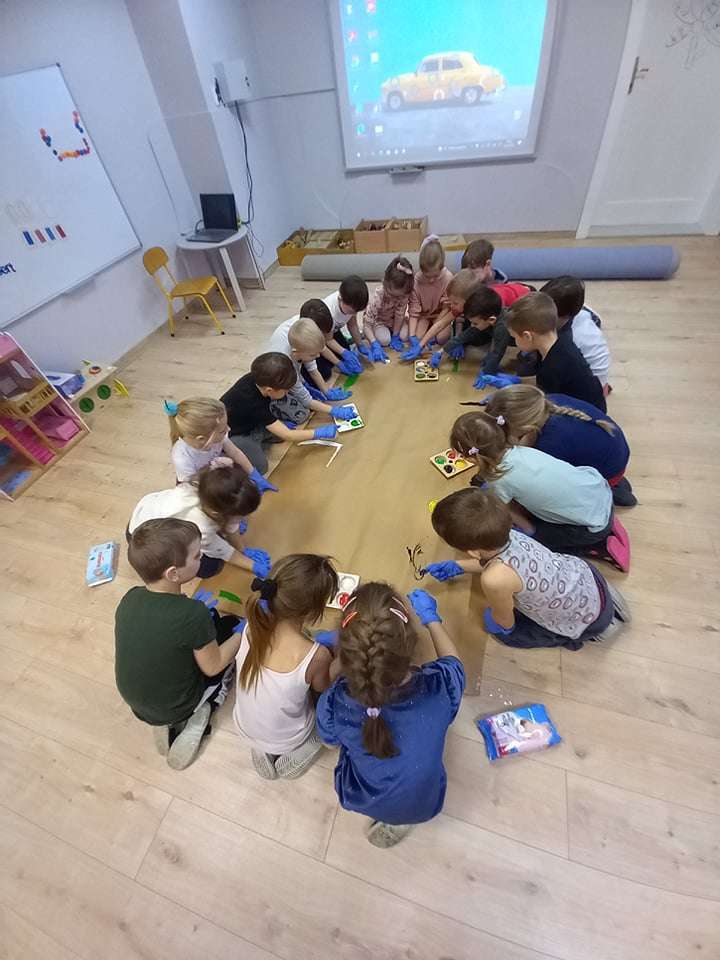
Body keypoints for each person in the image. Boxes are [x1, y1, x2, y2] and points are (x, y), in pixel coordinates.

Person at [316, 583, 464, 848]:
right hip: (424, 804)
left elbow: (329, 742)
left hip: (361, 797)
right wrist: (432, 620)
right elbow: (454, 663)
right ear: (411, 644)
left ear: (347, 653)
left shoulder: (335, 701)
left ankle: (391, 814)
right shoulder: (440, 687)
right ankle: (401, 819)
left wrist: (342, 654)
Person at [426, 488, 631, 650]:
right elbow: (500, 563)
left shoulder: (493, 579)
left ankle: (594, 630)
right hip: (585, 577)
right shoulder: (508, 534)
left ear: (472, 552)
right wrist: (459, 566)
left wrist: (501, 627)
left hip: (586, 620)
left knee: (510, 635)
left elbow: (504, 618)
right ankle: (604, 607)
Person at [115, 518, 245, 769]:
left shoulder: (129, 598)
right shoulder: (192, 614)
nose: (202, 557)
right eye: (197, 555)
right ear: (173, 573)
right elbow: (213, 666)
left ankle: (164, 720)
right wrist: (243, 633)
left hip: (136, 703)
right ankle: (202, 711)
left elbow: (159, 633)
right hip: (179, 702)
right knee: (229, 648)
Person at [450, 410, 630, 570]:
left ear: (471, 457)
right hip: (600, 493)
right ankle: (603, 523)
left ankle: (598, 548)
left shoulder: (499, 479)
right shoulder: (520, 450)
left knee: (540, 542)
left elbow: (507, 511)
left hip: (591, 528)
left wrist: (530, 531)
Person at [233, 554, 338, 780]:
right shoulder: (315, 655)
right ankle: (308, 743)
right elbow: (323, 688)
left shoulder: (251, 626)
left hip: (244, 727)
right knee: (331, 704)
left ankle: (262, 748)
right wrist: (338, 656)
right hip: (289, 737)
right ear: (313, 613)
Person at [483, 384, 636, 507]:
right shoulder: (547, 402)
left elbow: (544, 487)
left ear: (526, 428)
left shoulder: (550, 445)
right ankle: (614, 485)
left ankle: (607, 490)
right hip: (615, 452)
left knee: (534, 504)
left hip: (609, 471)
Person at [128, 465, 270, 580]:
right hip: (143, 538)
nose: (243, 519)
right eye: (239, 516)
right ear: (217, 513)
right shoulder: (200, 526)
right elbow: (220, 550)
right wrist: (251, 565)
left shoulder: (209, 486)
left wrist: (242, 548)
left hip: (148, 510)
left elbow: (230, 524)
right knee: (210, 568)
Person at [221, 353, 339, 475]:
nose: (287, 392)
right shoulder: (253, 402)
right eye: (285, 390)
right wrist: (318, 433)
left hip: (251, 419)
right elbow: (288, 435)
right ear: (269, 390)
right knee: (261, 467)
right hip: (234, 433)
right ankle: (247, 441)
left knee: (280, 434)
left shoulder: (260, 379)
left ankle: (261, 433)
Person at [506, 293, 607, 412]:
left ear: (527, 336)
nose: (515, 341)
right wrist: (519, 382)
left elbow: (546, 408)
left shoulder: (554, 366)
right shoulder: (558, 343)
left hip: (585, 416)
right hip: (591, 405)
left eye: (514, 337)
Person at [165, 396, 276, 494]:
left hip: (213, 473)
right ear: (201, 439)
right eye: (223, 430)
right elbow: (192, 488)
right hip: (195, 487)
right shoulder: (182, 457)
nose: (229, 429)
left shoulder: (217, 438)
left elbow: (235, 452)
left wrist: (253, 474)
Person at [261, 315, 355, 426]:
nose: (318, 356)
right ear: (296, 352)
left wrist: (325, 390)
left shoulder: (303, 342)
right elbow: (305, 399)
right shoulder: (285, 365)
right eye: (313, 354)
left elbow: (312, 369)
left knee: (313, 380)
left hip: (292, 362)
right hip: (273, 383)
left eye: (318, 352)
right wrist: (333, 410)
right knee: (301, 414)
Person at [541, 276, 611, 391]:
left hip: (589, 389)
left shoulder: (571, 339)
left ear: (562, 315)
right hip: (596, 379)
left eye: (545, 316)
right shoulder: (580, 312)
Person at [432, 285, 514, 376]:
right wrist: (440, 352)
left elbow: (497, 353)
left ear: (491, 320)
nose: (472, 325)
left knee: (521, 368)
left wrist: (485, 373)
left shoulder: (502, 328)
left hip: (521, 343)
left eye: (475, 323)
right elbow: (463, 336)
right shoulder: (487, 318)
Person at [401, 268, 480, 359]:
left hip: (484, 332)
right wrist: (420, 345)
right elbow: (440, 324)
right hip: (469, 324)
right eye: (451, 302)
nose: (452, 306)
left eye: (455, 303)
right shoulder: (459, 307)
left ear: (469, 301)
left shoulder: (480, 311)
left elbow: (472, 331)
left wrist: (459, 342)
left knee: (475, 341)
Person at [362, 256, 415, 361]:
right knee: (384, 340)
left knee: (405, 336)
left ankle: (393, 334)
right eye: (391, 294)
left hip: (395, 321)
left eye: (398, 296)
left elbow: (400, 315)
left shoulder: (403, 295)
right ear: (384, 282)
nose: (394, 299)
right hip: (380, 321)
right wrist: (373, 343)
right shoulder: (378, 297)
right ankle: (381, 334)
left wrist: (395, 335)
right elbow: (366, 324)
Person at [404, 236, 453, 346]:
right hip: (424, 316)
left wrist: (432, 330)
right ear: (422, 269)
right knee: (417, 337)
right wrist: (412, 335)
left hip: (441, 315)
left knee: (442, 338)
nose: (431, 280)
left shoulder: (448, 278)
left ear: (441, 268)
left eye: (435, 276)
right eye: (427, 276)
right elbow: (414, 311)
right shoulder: (416, 281)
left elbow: (446, 308)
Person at [319, 275, 370, 377]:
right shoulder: (330, 313)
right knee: (325, 371)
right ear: (340, 299)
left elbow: (352, 325)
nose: (353, 314)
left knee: (344, 351)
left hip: (333, 331)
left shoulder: (351, 304)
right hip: (320, 335)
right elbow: (328, 340)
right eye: (352, 311)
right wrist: (342, 357)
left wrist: (360, 344)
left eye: (356, 311)